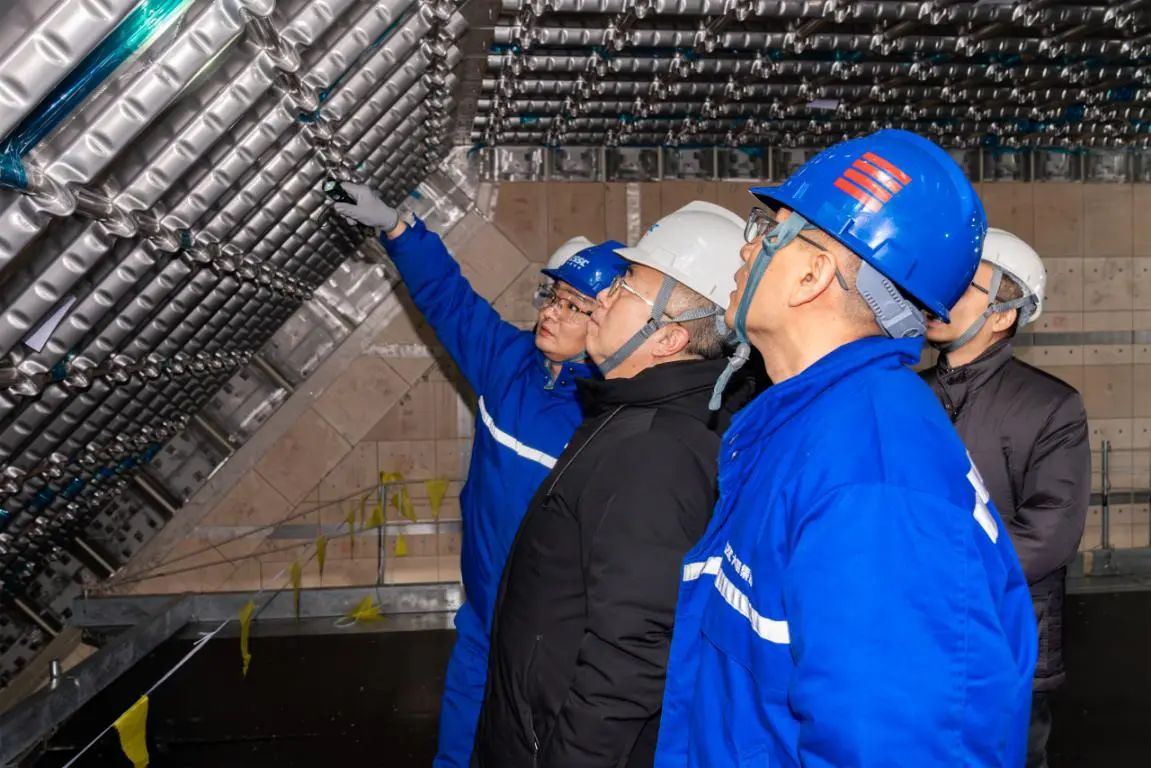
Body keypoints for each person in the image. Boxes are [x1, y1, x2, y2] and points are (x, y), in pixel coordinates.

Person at [656, 131, 1038, 767]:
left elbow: (895, 747)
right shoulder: (809, 423)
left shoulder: (873, 479)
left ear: (814, 274)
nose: (747, 246)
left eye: (768, 229)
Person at [334, 185, 627, 768]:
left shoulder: (610, 416)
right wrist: (398, 229)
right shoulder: (507, 363)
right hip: (484, 616)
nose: (551, 311)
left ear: (608, 321)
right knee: (461, 741)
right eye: (552, 296)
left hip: (554, 640)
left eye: (574, 305)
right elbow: (448, 297)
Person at [473, 202, 755, 768]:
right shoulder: (628, 413)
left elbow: (631, 658)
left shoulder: (654, 452)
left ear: (668, 338)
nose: (602, 296)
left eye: (625, 287)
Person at [923, 228, 1091, 768]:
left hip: (1006, 633)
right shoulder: (905, 394)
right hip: (916, 629)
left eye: (963, 286)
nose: (940, 294)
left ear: (1003, 315)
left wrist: (932, 572)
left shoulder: (1051, 406)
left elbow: (1051, 532)